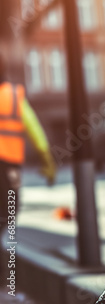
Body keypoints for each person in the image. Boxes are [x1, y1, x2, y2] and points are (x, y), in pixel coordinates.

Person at [0, 54, 57, 237]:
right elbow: (34, 128)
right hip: (9, 167)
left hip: (8, 166)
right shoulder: (14, 96)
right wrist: (47, 159)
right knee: (8, 211)